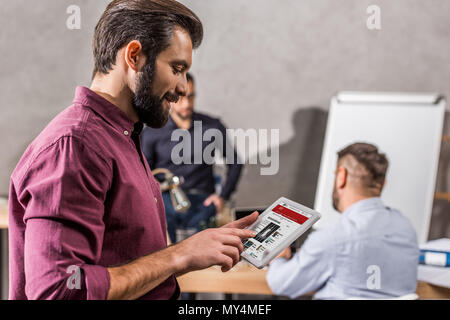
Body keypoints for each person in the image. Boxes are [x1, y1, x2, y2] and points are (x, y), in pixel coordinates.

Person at [8, 0, 258, 300]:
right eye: (176, 69)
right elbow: (59, 291)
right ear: (135, 56)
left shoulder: (123, 136)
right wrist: (177, 256)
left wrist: (200, 247)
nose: (182, 88)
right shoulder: (75, 145)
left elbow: (124, 258)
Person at [266, 143, 419, 299]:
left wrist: (279, 258)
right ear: (382, 184)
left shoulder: (333, 237)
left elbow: (281, 284)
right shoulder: (405, 228)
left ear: (341, 176)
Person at [141, 73, 243, 243]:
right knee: (164, 237)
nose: (187, 104)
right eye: (180, 98)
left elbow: (236, 163)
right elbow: (142, 172)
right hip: (167, 200)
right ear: (170, 96)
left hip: (203, 200)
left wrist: (222, 197)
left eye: (191, 96)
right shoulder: (152, 132)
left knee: (204, 245)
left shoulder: (213, 126)